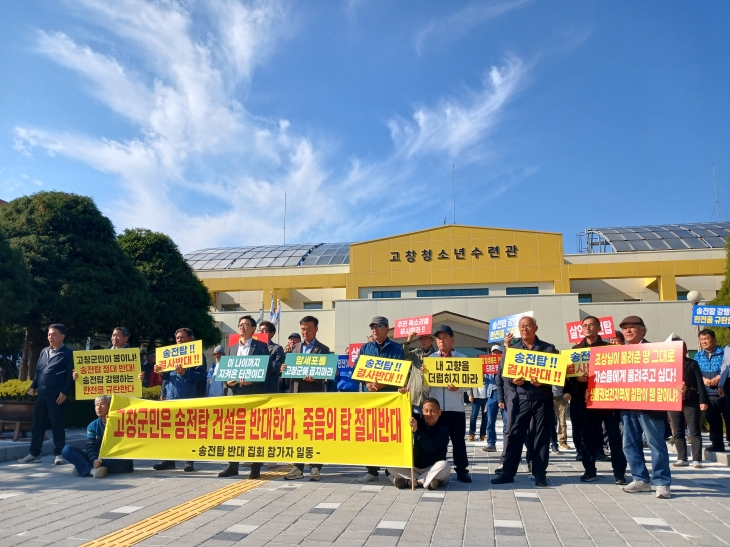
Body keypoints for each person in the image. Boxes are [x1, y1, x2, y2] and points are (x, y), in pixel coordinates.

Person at [492, 316, 559, 488]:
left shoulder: (547, 348)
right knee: (514, 435)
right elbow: (504, 375)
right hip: (520, 398)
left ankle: (539, 474)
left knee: (540, 437)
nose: (524, 329)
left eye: (528, 326)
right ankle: (507, 472)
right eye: (521, 326)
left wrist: (543, 381)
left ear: (535, 328)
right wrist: (513, 380)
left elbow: (556, 374)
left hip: (541, 399)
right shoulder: (513, 349)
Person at [613, 316, 675, 499]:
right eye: (625, 329)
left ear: (643, 330)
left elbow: (668, 373)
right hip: (626, 405)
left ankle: (662, 482)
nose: (628, 331)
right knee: (629, 444)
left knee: (656, 443)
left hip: (650, 405)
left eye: (632, 328)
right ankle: (641, 479)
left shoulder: (656, 351)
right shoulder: (616, 353)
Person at [570, 316, 627, 484]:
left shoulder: (609, 349)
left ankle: (619, 473)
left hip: (607, 400)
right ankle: (589, 470)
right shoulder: (575, 350)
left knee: (614, 436)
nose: (587, 328)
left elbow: (618, 374)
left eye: (591, 325)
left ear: (599, 328)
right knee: (587, 436)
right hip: (585, 400)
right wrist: (577, 381)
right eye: (585, 325)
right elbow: (569, 377)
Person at [218, 315, 271, 479]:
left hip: (253, 393)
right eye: (240, 324)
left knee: (255, 431)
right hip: (234, 395)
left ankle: (256, 467)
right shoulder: (232, 348)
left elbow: (267, 370)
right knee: (234, 431)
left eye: (246, 324)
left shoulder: (261, 347)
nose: (242, 327)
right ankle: (232, 465)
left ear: (253, 329)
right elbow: (224, 372)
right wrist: (228, 382)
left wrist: (252, 380)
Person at [357, 316, 406, 483]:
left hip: (389, 399)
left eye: (378, 326)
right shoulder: (365, 348)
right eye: (372, 326)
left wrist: (384, 384)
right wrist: (367, 383)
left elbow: (402, 373)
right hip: (371, 399)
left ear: (387, 329)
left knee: (389, 434)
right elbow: (357, 370)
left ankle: (391, 470)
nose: (374, 329)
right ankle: (371, 471)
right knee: (369, 435)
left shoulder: (397, 348)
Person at [421, 324, 472, 483]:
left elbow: (469, 383)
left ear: (452, 339)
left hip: (456, 407)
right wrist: (424, 374)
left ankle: (462, 470)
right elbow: (424, 386)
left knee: (458, 440)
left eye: (444, 337)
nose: (441, 341)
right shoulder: (431, 359)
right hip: (437, 410)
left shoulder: (461, 358)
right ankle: (436, 469)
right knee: (437, 440)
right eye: (438, 338)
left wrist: (459, 387)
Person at [281, 316, 329, 481]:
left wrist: (315, 377)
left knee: (315, 432)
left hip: (314, 397)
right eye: (303, 329)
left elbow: (325, 374)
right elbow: (289, 375)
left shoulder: (323, 349)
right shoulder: (294, 349)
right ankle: (298, 466)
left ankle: (315, 467)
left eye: (308, 329)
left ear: (316, 329)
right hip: (296, 396)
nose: (305, 332)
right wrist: (284, 369)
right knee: (297, 433)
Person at [153, 328, 207, 473]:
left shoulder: (197, 356)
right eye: (177, 338)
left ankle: (188, 460)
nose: (179, 340)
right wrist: (161, 376)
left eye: (182, 337)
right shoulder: (170, 356)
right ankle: (168, 460)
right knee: (169, 431)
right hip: (171, 398)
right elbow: (167, 377)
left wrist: (185, 372)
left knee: (188, 432)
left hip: (188, 398)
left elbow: (201, 376)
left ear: (191, 339)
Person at [19, 324, 74, 465]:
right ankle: (34, 453)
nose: (50, 337)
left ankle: (59, 453)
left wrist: (65, 392)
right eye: (49, 334)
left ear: (62, 336)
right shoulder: (44, 351)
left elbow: (71, 375)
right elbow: (38, 371)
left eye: (54, 334)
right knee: (38, 424)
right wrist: (33, 386)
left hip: (57, 393)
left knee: (57, 424)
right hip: (42, 392)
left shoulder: (68, 353)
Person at [61, 395, 133, 478]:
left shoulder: (121, 422)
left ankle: (84, 468)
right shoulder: (92, 426)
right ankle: (92, 470)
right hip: (98, 458)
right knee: (66, 450)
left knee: (120, 460)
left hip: (115, 458)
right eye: (96, 405)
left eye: (102, 404)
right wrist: (94, 460)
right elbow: (90, 446)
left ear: (110, 406)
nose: (98, 407)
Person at [386, 398, 451, 489]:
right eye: (426, 411)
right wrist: (402, 396)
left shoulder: (443, 429)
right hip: (414, 467)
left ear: (439, 412)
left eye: (432, 411)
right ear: (422, 411)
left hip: (433, 468)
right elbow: (402, 410)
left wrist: (416, 430)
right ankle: (427, 481)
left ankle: (412, 481)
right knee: (390, 465)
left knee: (445, 466)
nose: (429, 414)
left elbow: (430, 447)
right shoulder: (418, 420)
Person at [668, 338, 708, 468]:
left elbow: (700, 384)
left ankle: (697, 459)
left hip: (690, 400)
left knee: (694, 430)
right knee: (678, 431)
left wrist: (702, 400)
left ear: (684, 349)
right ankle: (682, 458)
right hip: (673, 400)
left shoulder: (692, 364)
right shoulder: (667, 364)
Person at [695, 329, 729, 452]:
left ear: (714, 339)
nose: (704, 341)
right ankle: (717, 444)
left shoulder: (724, 352)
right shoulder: (698, 356)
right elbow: (696, 371)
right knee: (712, 419)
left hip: (723, 391)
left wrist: (719, 378)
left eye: (707, 338)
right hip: (707, 393)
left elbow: (727, 367)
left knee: (728, 418)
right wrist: (703, 380)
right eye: (702, 339)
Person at [481, 345, 507, 452]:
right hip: (491, 395)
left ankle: (507, 444)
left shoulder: (506, 364)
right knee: (490, 420)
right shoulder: (487, 366)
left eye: (498, 352)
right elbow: (482, 381)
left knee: (507, 421)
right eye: (493, 352)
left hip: (504, 396)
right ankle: (491, 443)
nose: (495, 354)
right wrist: (482, 373)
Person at [402, 331, 434, 414]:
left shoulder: (436, 355)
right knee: (415, 419)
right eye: (421, 339)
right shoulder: (416, 352)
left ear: (432, 340)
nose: (423, 341)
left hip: (430, 394)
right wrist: (409, 340)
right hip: (414, 392)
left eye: (426, 338)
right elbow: (403, 356)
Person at [257, 321, 286, 394]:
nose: (261, 332)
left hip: (269, 385)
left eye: (264, 330)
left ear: (272, 333)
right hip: (254, 385)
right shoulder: (253, 348)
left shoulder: (277, 348)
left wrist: (265, 361)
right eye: (259, 330)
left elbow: (279, 366)